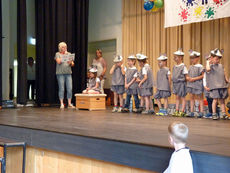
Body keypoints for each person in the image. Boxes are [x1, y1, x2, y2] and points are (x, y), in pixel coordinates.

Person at [206, 48, 229, 120]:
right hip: (215, 86)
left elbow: (224, 73)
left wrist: (227, 80)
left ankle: (223, 113)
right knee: (215, 100)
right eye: (216, 59)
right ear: (212, 58)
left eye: (218, 59)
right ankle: (214, 113)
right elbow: (207, 69)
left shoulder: (221, 66)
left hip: (222, 85)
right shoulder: (211, 67)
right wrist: (207, 62)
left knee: (222, 100)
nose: (217, 61)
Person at [55, 42, 75, 109]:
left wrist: (70, 63)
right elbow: (58, 62)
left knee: (70, 88)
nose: (65, 48)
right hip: (60, 74)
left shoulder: (69, 54)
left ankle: (69, 103)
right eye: (63, 47)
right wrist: (65, 56)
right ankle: (61, 103)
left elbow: (72, 64)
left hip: (68, 73)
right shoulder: (57, 54)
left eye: (66, 47)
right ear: (60, 48)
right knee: (62, 89)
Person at [186, 50, 204, 118]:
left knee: (200, 97)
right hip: (191, 84)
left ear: (197, 58)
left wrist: (194, 79)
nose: (192, 60)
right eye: (191, 58)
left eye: (193, 58)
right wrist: (188, 78)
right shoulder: (190, 67)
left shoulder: (200, 66)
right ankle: (191, 111)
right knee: (191, 97)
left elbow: (203, 75)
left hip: (198, 84)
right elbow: (188, 75)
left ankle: (201, 111)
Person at [172, 49, 189, 117]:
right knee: (177, 97)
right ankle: (177, 110)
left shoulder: (183, 66)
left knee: (182, 97)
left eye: (176, 57)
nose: (174, 58)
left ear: (181, 58)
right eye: (174, 57)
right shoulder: (174, 66)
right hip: (176, 84)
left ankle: (182, 111)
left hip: (181, 84)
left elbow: (186, 76)